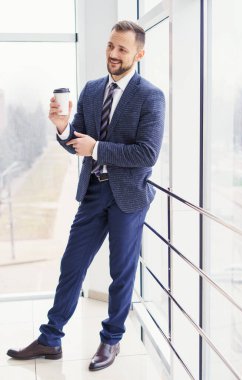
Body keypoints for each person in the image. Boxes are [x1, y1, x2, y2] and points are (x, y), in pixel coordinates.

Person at [7, 20, 165, 371]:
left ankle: (111, 341)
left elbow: (147, 154)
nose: (112, 53)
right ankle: (50, 339)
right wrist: (62, 127)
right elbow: (77, 144)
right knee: (72, 265)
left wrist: (98, 148)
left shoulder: (151, 96)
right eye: (110, 45)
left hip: (128, 198)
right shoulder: (93, 90)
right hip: (94, 192)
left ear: (139, 54)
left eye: (122, 49)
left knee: (120, 273)